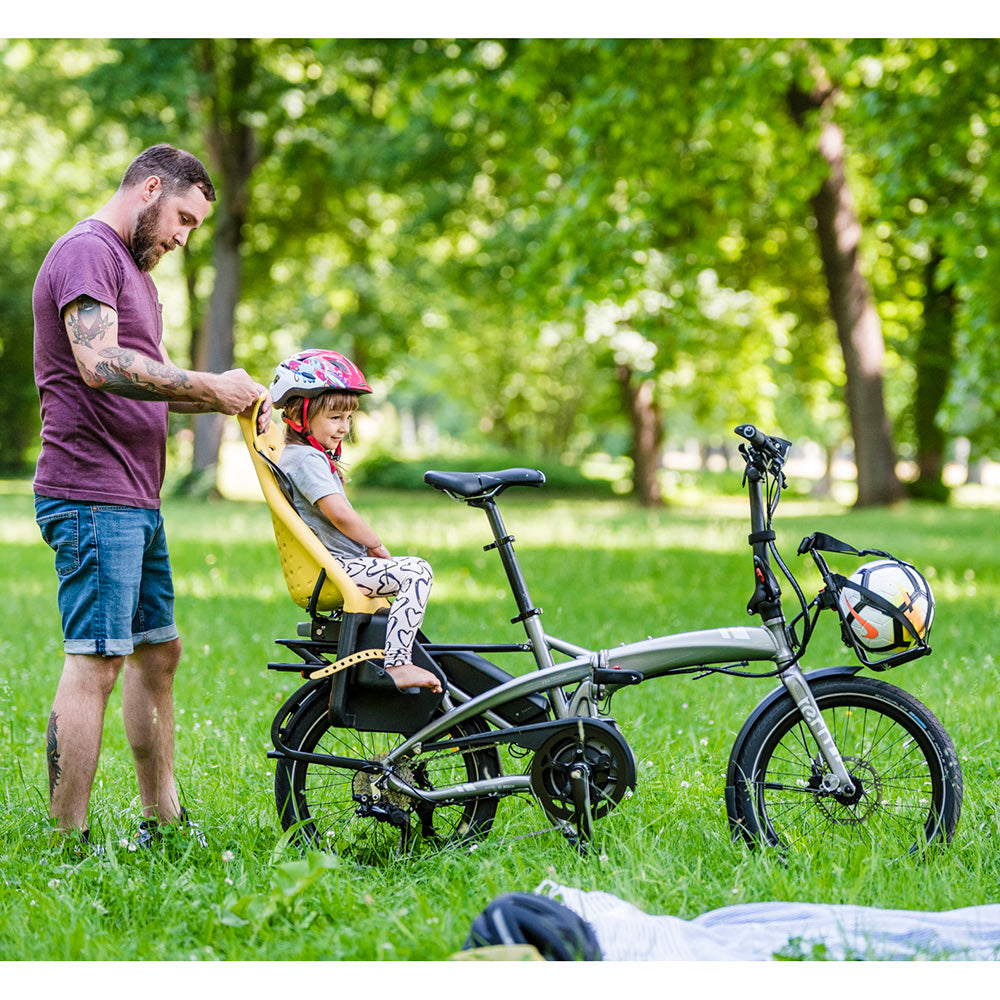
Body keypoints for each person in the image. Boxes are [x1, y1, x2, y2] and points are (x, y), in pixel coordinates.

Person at [32, 143, 272, 846]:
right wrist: (211, 384)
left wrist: (242, 397)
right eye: (183, 219)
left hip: (136, 497)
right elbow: (100, 363)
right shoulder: (88, 252)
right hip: (91, 492)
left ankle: (162, 817)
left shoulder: (135, 274)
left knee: (157, 653)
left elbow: (160, 383)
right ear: (150, 188)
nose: (182, 237)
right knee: (97, 659)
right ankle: (66, 839)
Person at [270, 349, 441, 694]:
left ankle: (390, 661)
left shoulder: (305, 455)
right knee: (417, 571)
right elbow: (340, 513)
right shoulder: (305, 460)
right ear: (299, 413)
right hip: (339, 569)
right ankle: (397, 663)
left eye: (348, 417)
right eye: (335, 417)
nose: (344, 427)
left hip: (339, 566)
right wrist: (374, 544)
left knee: (408, 577)